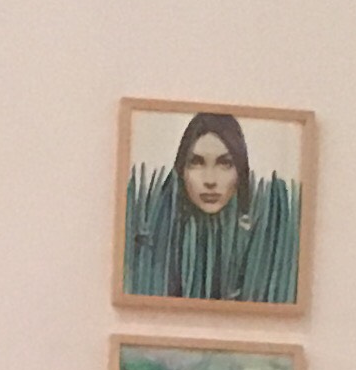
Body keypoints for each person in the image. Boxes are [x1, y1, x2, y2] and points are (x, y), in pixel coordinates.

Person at [125, 106, 299, 304]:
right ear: (181, 170)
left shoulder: (266, 243)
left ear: (240, 171)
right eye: (196, 162)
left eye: (225, 163)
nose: (210, 180)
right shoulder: (153, 243)